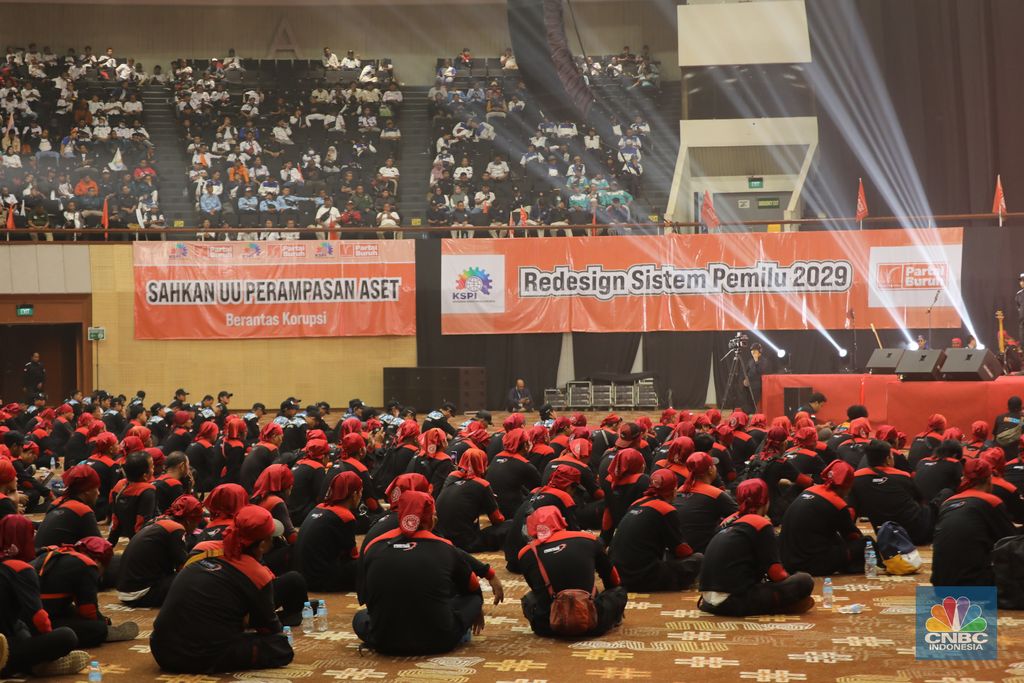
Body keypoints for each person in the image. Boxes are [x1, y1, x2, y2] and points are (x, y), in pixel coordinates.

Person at [151, 506, 294, 673]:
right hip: (196, 657)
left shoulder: (202, 548)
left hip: (160, 648)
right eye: (271, 539)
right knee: (280, 646)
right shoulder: (257, 575)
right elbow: (270, 629)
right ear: (262, 545)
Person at [355, 491, 485, 654]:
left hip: (384, 641)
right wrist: (475, 609)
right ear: (431, 518)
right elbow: (472, 587)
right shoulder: (445, 547)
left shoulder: (374, 545)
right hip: (439, 641)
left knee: (360, 617)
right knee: (473, 599)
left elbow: (368, 594)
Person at [698, 480, 815, 616]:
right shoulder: (760, 523)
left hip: (708, 602)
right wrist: (788, 584)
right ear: (765, 501)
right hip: (734, 602)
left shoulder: (727, 522)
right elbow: (776, 574)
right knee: (803, 580)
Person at [0, 515, 90, 678]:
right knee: (66, 636)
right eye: (31, 533)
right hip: (5, 648)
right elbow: (39, 619)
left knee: (20, 625)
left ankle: (31, 662)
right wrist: (48, 642)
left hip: (9, 634)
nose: (35, 536)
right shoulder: (21, 569)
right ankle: (29, 664)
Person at [517, 506, 627, 637]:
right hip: (593, 622)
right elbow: (613, 579)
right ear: (560, 520)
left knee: (529, 599)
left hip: (549, 626)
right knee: (618, 592)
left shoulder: (525, 553)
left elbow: (537, 591)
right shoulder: (589, 539)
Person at [33, 536, 138, 647]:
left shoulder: (61, 553)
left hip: (31, 612)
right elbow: (88, 610)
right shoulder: (87, 565)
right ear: (98, 562)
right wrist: (101, 624)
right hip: (36, 620)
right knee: (96, 629)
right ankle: (103, 632)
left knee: (71, 610)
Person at [610, 469, 703, 591]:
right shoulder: (666, 509)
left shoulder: (636, 503)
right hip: (642, 577)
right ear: (674, 490)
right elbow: (680, 550)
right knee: (698, 559)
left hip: (618, 575)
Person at [931, 459, 1018, 586]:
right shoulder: (991, 501)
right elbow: (1011, 540)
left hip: (940, 584)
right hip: (974, 585)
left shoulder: (947, 503)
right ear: (989, 479)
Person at [779, 460, 868, 575]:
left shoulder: (809, 490)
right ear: (847, 486)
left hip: (787, 562)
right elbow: (853, 537)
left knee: (834, 537)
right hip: (809, 565)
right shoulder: (837, 504)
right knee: (865, 543)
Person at [117, 495, 204, 607]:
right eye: (196, 523)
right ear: (188, 520)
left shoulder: (158, 520)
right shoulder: (176, 529)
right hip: (141, 594)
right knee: (194, 577)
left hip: (126, 590)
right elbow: (184, 568)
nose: (196, 527)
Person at [850, 439, 935, 545]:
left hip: (884, 535)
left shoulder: (856, 478)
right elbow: (921, 500)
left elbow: (852, 509)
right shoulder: (903, 476)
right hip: (914, 535)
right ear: (888, 459)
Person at [293, 471, 362, 592]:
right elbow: (352, 556)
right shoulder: (345, 516)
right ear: (354, 494)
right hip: (320, 580)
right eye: (361, 492)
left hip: (302, 576)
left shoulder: (319, 507)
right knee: (366, 563)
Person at [436, 449, 509, 552]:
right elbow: (497, 519)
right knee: (509, 525)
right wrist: (490, 500)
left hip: (441, 539)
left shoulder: (452, 476)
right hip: (465, 543)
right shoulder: (482, 484)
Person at [674, 452, 738, 553]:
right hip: (704, 552)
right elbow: (740, 515)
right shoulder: (715, 494)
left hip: (680, 551)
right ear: (710, 470)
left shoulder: (680, 490)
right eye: (713, 465)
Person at [35, 465, 102, 550]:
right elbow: (101, 548)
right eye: (96, 488)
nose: (98, 493)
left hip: (39, 555)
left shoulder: (57, 503)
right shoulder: (82, 511)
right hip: (53, 556)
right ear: (87, 490)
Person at [487, 428, 541, 518]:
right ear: (525, 445)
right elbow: (539, 486)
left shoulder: (496, 457)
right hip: (512, 511)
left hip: (493, 508)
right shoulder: (524, 464)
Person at [107, 450, 156, 545]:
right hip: (142, 540)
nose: (153, 468)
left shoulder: (119, 486)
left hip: (130, 535)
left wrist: (109, 544)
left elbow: (115, 521)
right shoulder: (147, 491)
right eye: (152, 466)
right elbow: (142, 523)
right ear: (145, 476)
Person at [993, 396, 1024, 460]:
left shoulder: (999, 417)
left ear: (1008, 406)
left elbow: (994, 436)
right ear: (1020, 407)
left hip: (998, 454)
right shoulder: (1022, 420)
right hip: (1015, 456)